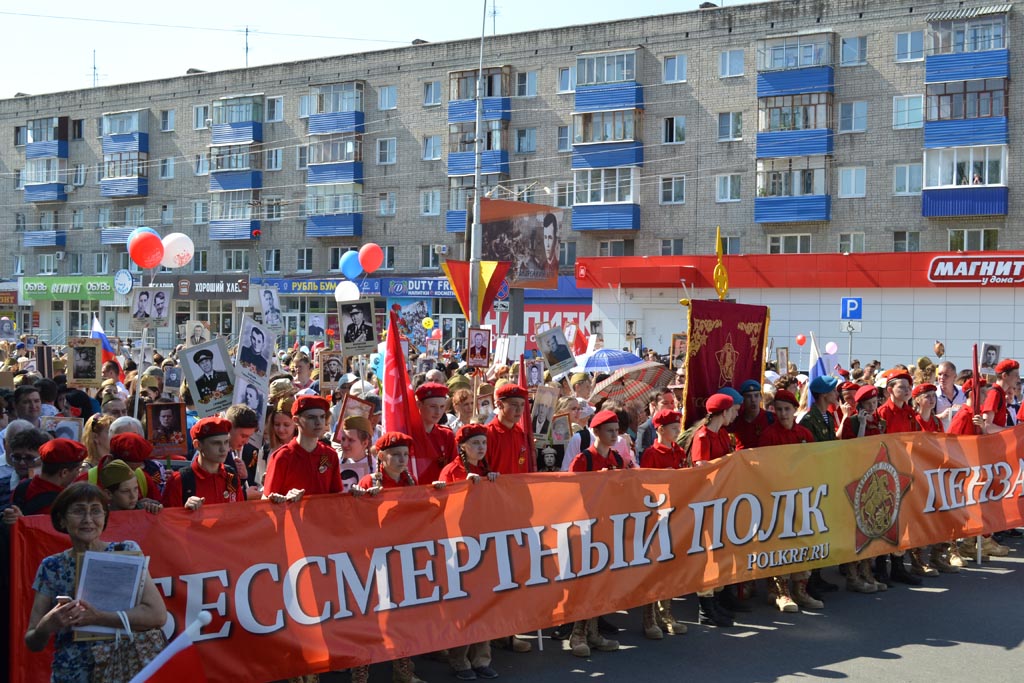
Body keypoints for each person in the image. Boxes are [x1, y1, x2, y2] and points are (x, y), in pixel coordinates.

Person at [24, 482, 167, 682]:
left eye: (96, 511)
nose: (88, 520)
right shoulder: (52, 567)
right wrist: (48, 624)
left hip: (123, 668)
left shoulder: (124, 552)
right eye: (79, 511)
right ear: (62, 520)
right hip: (72, 673)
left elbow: (157, 615)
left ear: (105, 518)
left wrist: (98, 617)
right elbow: (33, 641)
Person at [564, 409, 623, 657]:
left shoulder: (618, 459)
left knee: (601, 582)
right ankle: (577, 634)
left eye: (616, 431)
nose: (614, 435)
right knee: (584, 582)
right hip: (585, 528)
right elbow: (569, 495)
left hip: (608, 525)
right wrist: (596, 484)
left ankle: (594, 632)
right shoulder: (583, 460)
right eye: (609, 431)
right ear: (596, 432)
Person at [758, 390, 820, 612]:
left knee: (804, 541)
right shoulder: (768, 435)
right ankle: (781, 591)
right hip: (777, 498)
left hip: (802, 496)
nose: (783, 414)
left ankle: (801, 590)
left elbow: (813, 462)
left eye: (787, 409)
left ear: (795, 411)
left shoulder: (804, 433)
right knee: (780, 544)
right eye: (779, 409)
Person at [263, 395, 340, 502]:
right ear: (296, 420)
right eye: (311, 417)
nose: (318, 422)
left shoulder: (330, 455)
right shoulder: (282, 457)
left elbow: (337, 498)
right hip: (291, 518)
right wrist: (284, 499)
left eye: (322, 417)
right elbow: (265, 500)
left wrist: (357, 493)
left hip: (322, 518)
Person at [163, 417, 245, 508]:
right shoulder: (178, 481)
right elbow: (167, 519)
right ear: (197, 445)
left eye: (226, 442)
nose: (223, 449)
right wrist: (184, 511)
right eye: (216, 443)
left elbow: (238, 515)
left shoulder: (231, 476)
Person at [8, 439, 88, 520]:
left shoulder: (22, 486)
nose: (79, 474)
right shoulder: (61, 503)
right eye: (77, 470)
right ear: (64, 472)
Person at [411, 382, 457, 484]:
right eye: (433, 406)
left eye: (442, 407)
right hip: (413, 496)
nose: (438, 412)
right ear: (419, 405)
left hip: (440, 494)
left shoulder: (446, 435)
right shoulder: (407, 435)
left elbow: (454, 467)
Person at [486, 384, 532, 474]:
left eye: (522, 405)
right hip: (496, 487)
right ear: (499, 404)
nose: (519, 410)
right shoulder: (488, 434)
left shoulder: (521, 433)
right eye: (514, 405)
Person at [338, 415, 375, 494]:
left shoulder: (375, 467)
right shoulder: (335, 460)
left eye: (350, 440)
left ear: (365, 443)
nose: (344, 444)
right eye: (343, 439)